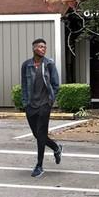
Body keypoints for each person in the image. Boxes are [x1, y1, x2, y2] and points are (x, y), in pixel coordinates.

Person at [20, 38, 63, 177]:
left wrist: (50, 101)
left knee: (41, 134)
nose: (43, 49)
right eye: (40, 47)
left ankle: (39, 165)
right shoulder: (26, 65)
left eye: (44, 47)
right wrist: (25, 103)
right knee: (37, 135)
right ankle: (56, 147)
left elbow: (56, 85)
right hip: (31, 105)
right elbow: (24, 85)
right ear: (34, 49)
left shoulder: (49, 64)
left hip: (44, 105)